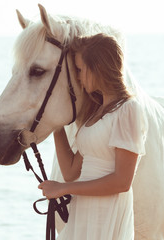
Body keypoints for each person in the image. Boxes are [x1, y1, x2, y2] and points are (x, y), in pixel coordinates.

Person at [38, 33, 148, 240]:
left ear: (97, 68)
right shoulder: (97, 112)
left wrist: (64, 189)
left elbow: (122, 181)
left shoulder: (128, 110)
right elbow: (71, 170)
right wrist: (56, 125)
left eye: (80, 69)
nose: (78, 77)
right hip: (84, 210)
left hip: (106, 212)